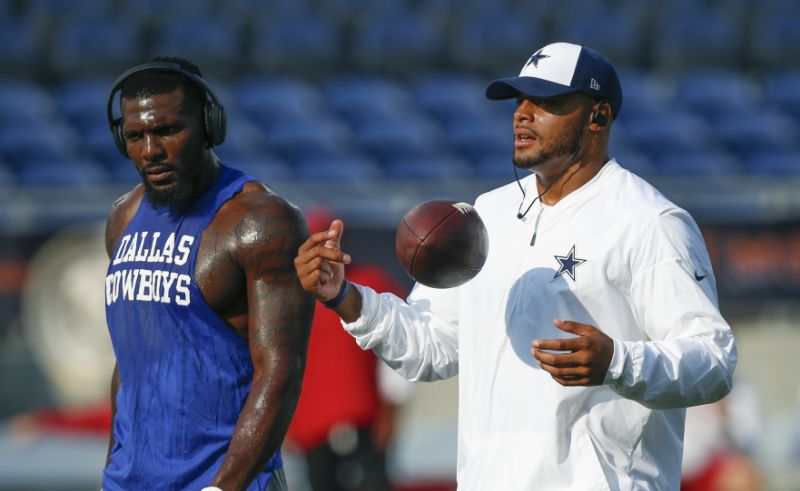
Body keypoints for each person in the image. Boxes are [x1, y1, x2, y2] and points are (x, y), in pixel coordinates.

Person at [294, 42, 738, 490]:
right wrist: (345, 296)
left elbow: (714, 360)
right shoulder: (488, 214)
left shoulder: (649, 222)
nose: (522, 113)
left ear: (597, 116)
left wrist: (618, 362)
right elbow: (431, 346)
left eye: (547, 102)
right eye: (519, 100)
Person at [102, 57, 314, 490]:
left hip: (226, 481)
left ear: (208, 126)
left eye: (166, 130)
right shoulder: (123, 218)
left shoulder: (260, 222)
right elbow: (130, 363)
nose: (150, 150)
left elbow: (280, 371)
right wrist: (113, 472)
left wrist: (224, 487)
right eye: (135, 135)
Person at [285, 209, 412, 491]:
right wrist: (285, 423)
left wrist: (391, 412)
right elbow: (281, 365)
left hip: (366, 419)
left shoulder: (371, 284)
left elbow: (395, 350)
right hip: (311, 428)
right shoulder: (289, 299)